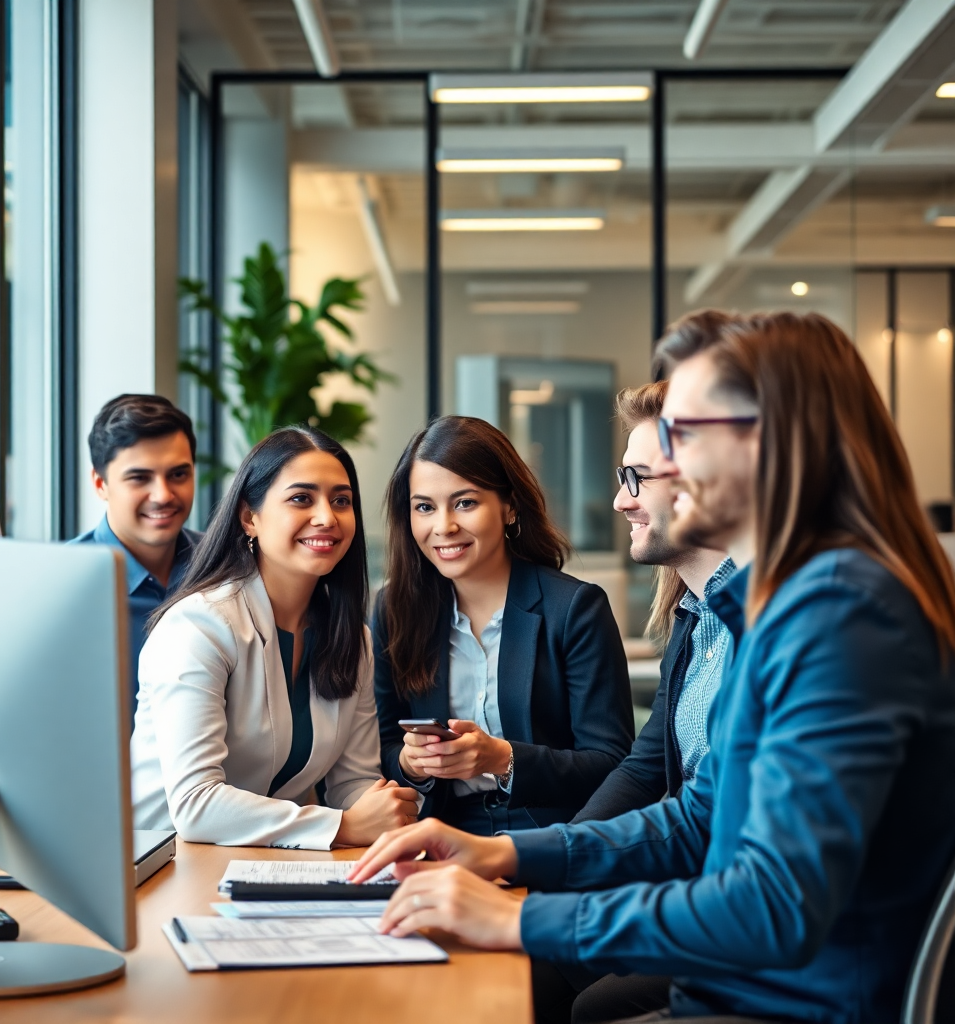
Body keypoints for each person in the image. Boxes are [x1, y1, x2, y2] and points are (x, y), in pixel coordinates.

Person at [350, 311, 955, 1024]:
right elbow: (696, 820)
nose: (652, 477)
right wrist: (501, 854)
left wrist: (518, 919)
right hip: (750, 985)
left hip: (801, 1002)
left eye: (684, 435)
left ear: (770, 445)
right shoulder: (772, 608)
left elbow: (774, 906)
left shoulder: (842, 613)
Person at [536, 374, 734, 1024]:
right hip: (704, 890)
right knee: (539, 959)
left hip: (751, 920)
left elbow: (706, 822)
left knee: (594, 1003)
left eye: (636, 478)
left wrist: (537, 861)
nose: (621, 501)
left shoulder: (779, 629)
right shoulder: (696, 617)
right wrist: (549, 861)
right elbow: (647, 768)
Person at [132, 426, 418, 849]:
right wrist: (343, 826)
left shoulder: (351, 638)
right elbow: (195, 806)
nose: (327, 517)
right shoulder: (198, 627)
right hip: (167, 862)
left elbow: (352, 782)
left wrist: (385, 809)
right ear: (250, 517)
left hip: (263, 863)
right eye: (301, 498)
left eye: (341, 500)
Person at [373, 415, 635, 837]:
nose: (443, 526)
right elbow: (379, 746)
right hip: (437, 834)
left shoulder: (574, 609)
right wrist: (410, 763)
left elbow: (613, 764)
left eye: (465, 503)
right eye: (424, 507)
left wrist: (501, 759)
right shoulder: (394, 610)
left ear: (509, 507)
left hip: (550, 836)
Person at [72, 394, 202, 725]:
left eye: (178, 474)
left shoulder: (229, 567)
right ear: (100, 484)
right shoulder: (60, 586)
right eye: (139, 478)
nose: (163, 495)